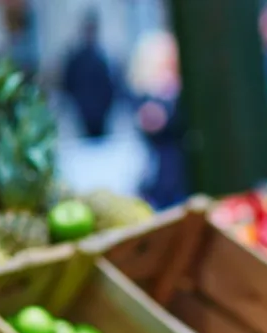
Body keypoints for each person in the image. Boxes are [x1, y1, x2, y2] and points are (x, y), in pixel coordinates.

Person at [128, 31, 186, 210]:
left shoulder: (174, 93)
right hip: (165, 182)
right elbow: (153, 121)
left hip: (181, 176)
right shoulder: (148, 97)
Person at [62, 11, 115, 139]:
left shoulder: (102, 57)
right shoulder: (76, 58)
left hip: (101, 114)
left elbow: (111, 85)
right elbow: (68, 84)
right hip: (83, 113)